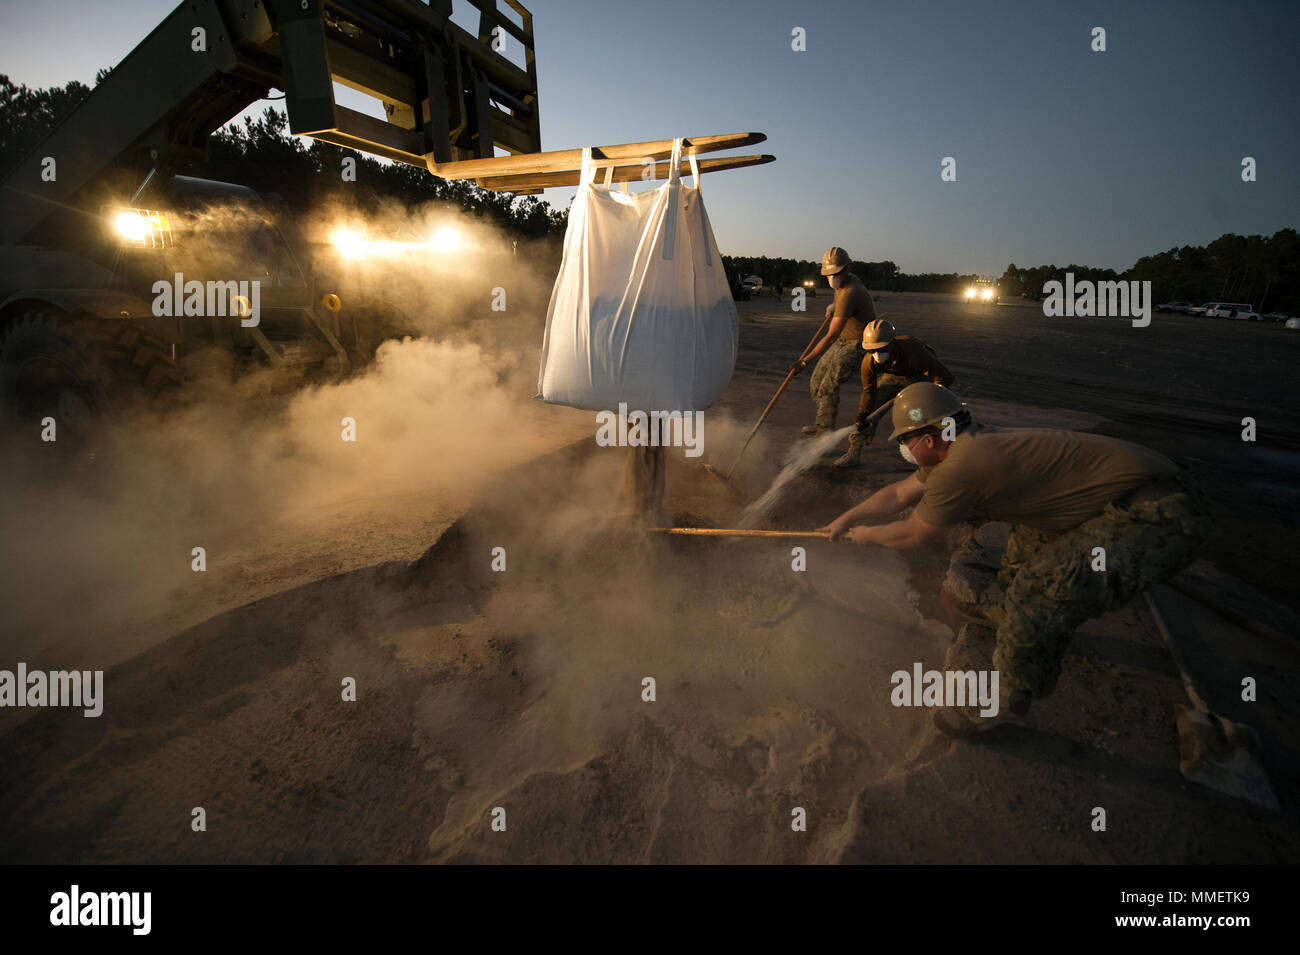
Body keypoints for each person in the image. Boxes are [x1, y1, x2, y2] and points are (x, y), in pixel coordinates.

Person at [816, 382, 1216, 737]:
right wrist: (847, 519)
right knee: (1018, 565)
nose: (904, 447)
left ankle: (1007, 703)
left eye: (905, 438)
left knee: (1037, 590)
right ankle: (1025, 635)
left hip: (1158, 512)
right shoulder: (963, 446)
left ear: (931, 436)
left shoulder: (963, 465)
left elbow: (918, 533)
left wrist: (868, 537)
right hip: (1115, 497)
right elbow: (899, 494)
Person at [831, 319, 954, 468]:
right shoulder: (869, 362)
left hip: (921, 375)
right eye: (871, 350)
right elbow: (869, 391)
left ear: (892, 343)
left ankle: (933, 455)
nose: (876, 354)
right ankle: (853, 453)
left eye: (881, 349)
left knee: (920, 414)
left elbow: (944, 376)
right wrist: (863, 413)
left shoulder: (913, 353)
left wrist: (930, 396)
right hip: (895, 376)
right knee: (874, 407)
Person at [795, 247, 876, 436]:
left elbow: (830, 336)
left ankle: (824, 430)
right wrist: (835, 307)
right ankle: (823, 420)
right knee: (816, 382)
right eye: (829, 274)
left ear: (847, 269)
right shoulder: (843, 284)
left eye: (836, 273)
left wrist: (805, 360)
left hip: (858, 344)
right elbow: (841, 303)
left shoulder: (851, 291)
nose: (832, 277)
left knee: (828, 385)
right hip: (843, 339)